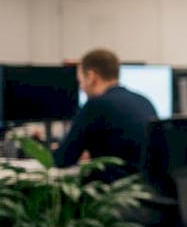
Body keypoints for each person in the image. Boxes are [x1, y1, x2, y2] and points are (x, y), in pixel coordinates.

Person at [54, 49, 158, 182]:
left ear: (91, 77)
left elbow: (62, 160)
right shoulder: (145, 101)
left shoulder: (95, 105)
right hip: (145, 189)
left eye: (80, 81)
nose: (81, 87)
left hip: (114, 193)